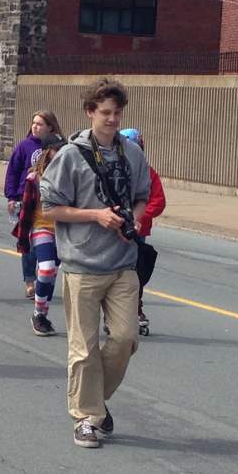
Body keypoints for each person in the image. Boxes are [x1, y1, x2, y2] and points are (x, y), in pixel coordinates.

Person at [40, 78, 153, 449]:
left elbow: (141, 197)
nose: (112, 120)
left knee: (125, 338)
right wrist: (95, 216)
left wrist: (133, 219)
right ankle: (87, 417)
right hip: (83, 264)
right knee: (83, 348)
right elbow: (51, 207)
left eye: (117, 113)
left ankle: (94, 403)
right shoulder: (70, 156)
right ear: (90, 112)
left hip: (123, 262)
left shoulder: (132, 154)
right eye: (105, 113)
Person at [5, 110, 62, 298]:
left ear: (50, 127)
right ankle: (30, 280)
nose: (35, 126)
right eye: (34, 123)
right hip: (27, 198)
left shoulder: (59, 147)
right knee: (28, 243)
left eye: (40, 124)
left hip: (52, 206)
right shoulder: (24, 146)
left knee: (53, 249)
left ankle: (44, 277)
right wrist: (11, 196)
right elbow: (13, 171)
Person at [13, 136, 65, 336]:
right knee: (46, 268)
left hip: (63, 230)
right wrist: (23, 236)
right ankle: (38, 312)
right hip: (41, 226)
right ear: (47, 152)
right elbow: (26, 209)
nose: (60, 154)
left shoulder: (70, 176)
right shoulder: (33, 178)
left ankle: (42, 314)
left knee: (52, 274)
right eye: (56, 150)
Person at [119, 128, 167, 336]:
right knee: (115, 273)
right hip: (113, 229)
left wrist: (139, 217)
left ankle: (135, 308)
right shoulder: (114, 169)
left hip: (138, 231)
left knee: (137, 273)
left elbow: (158, 201)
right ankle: (112, 311)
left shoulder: (149, 173)